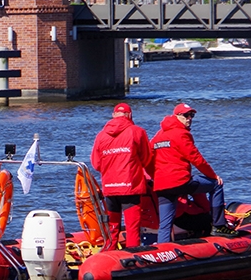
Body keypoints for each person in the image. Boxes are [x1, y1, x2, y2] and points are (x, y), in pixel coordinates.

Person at [150, 103, 230, 243]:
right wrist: (213, 175)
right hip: (180, 181)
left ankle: (163, 251)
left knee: (165, 224)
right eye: (186, 115)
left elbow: (148, 159)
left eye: (191, 115)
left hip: (162, 185)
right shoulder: (181, 134)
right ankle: (218, 225)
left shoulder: (158, 136)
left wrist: (155, 177)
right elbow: (196, 159)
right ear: (176, 116)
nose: (189, 118)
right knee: (216, 185)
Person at [90, 103, 153, 249]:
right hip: (130, 187)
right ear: (129, 115)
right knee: (132, 227)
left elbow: (96, 163)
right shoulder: (137, 131)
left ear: (113, 116)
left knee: (112, 227)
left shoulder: (101, 136)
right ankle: (132, 257)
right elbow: (146, 158)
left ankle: (109, 254)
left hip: (110, 188)